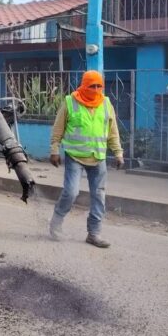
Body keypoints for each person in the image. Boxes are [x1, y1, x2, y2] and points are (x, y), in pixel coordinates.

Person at [49, 70, 123, 248]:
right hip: (75, 156)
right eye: (92, 86)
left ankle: (94, 233)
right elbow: (58, 128)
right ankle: (56, 222)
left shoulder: (106, 103)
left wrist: (118, 152)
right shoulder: (70, 102)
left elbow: (112, 131)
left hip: (98, 157)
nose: (96, 89)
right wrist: (54, 150)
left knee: (99, 196)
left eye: (99, 86)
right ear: (84, 85)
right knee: (71, 192)